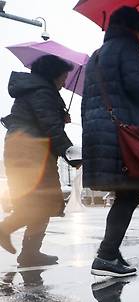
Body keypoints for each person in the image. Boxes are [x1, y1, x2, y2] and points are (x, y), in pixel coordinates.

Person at [81, 6, 139, 277]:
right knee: (133, 190)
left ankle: (111, 253)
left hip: (99, 134)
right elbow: (137, 88)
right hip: (120, 134)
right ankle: (106, 255)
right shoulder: (128, 48)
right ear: (134, 29)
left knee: (127, 191)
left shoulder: (96, 56)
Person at [0, 55, 77, 266]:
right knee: (38, 204)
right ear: (53, 74)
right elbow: (51, 129)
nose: (65, 80)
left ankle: (30, 253)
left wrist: (60, 117)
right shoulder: (42, 92)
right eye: (63, 75)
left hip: (30, 152)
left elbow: (45, 122)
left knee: (45, 203)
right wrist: (72, 155)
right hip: (30, 154)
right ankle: (5, 229)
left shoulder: (40, 92)